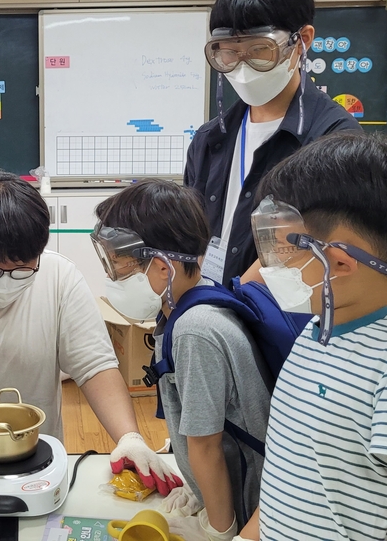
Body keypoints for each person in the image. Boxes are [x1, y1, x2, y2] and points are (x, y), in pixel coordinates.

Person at [240, 133, 387, 540]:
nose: (269, 267)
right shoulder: (315, 334)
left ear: (340, 263)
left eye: (285, 252)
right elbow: (289, 478)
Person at [0, 170, 183, 495]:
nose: (8, 278)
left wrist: (129, 437)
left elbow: (94, 366)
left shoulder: (58, 276)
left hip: (38, 463)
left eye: (23, 267)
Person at [93, 179, 271, 541]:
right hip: (225, 490)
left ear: (162, 268)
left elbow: (205, 444)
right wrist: (196, 486)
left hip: (246, 507)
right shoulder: (187, 308)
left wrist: (217, 528)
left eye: (121, 268)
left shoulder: (195, 330)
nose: (112, 278)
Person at [184, 0, 360, 286]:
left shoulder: (335, 140)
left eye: (259, 50)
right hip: (210, 305)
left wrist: (231, 306)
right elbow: (190, 233)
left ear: (301, 40)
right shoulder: (210, 139)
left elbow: (312, 248)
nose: (242, 67)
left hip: (281, 317)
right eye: (229, 53)